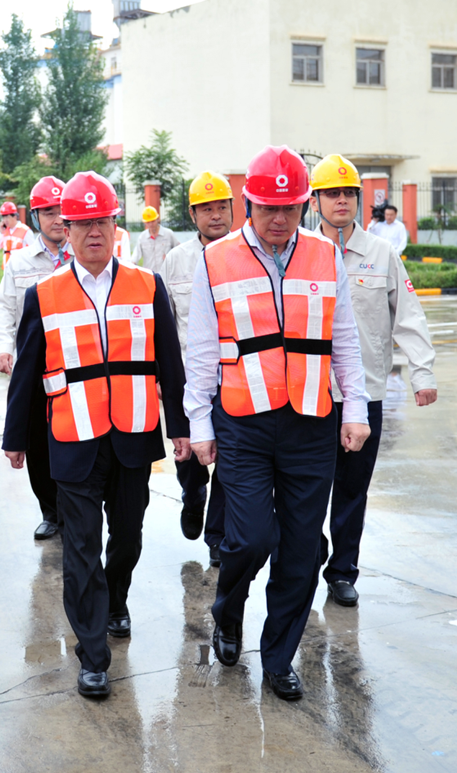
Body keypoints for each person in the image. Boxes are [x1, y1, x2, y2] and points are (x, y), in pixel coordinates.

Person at [183, 145, 370, 701]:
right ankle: (229, 610)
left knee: (300, 551)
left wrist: (354, 407)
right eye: (269, 209)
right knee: (248, 539)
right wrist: (200, 422)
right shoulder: (215, 260)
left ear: (304, 205)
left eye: (290, 208)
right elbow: (199, 350)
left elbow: (344, 339)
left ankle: (279, 656)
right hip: (242, 421)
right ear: (248, 204)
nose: (280, 220)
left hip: (312, 421)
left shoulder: (323, 255)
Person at [2, 172, 190, 699]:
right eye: (80, 223)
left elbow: (168, 364)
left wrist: (179, 428)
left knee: (126, 539)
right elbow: (27, 372)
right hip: (72, 435)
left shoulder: (146, 286)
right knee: (80, 547)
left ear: (115, 226)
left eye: (100, 222)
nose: (91, 233)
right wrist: (17, 437)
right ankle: (92, 653)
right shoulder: (44, 293)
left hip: (133, 435)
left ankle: (117, 601)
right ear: (67, 226)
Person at [311, 154, 437, 606]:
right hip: (310, 395)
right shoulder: (302, 253)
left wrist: (421, 371)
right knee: (307, 488)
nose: (341, 200)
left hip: (364, 396)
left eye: (348, 193)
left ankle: (342, 570)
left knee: (351, 489)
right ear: (315, 200)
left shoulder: (381, 254)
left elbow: (409, 317)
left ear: (359, 201)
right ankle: (312, 557)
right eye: (332, 193)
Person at [0, 176, 69, 540]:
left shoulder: (86, 255)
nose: (58, 219)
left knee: (75, 439)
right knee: (38, 442)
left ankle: (77, 509)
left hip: (78, 366)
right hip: (35, 368)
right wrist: (4, 347)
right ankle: (51, 512)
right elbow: (3, 307)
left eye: (63, 211)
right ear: (35, 218)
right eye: (49, 212)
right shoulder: (20, 263)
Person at [158, 171, 233, 565]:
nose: (216, 215)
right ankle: (192, 496)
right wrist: (161, 378)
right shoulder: (176, 261)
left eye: (222, 206)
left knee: (232, 460)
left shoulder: (247, 257)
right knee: (188, 457)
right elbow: (165, 325)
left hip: (235, 380)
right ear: (192, 214)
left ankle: (217, 536)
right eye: (207, 208)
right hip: (187, 382)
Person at [131, 205, 178, 269]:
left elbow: (179, 250)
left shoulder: (168, 234)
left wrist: (171, 258)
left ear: (158, 219)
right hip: (149, 275)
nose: (150, 224)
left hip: (166, 273)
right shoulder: (142, 237)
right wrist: (131, 265)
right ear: (144, 222)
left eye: (153, 221)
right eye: (148, 222)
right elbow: (135, 256)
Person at [0, 200, 32, 269]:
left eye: (7, 217)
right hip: (7, 270)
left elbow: (33, 250)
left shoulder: (25, 230)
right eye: (3, 217)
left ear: (15, 216)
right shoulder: (4, 231)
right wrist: (1, 233)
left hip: (21, 269)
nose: (5, 220)